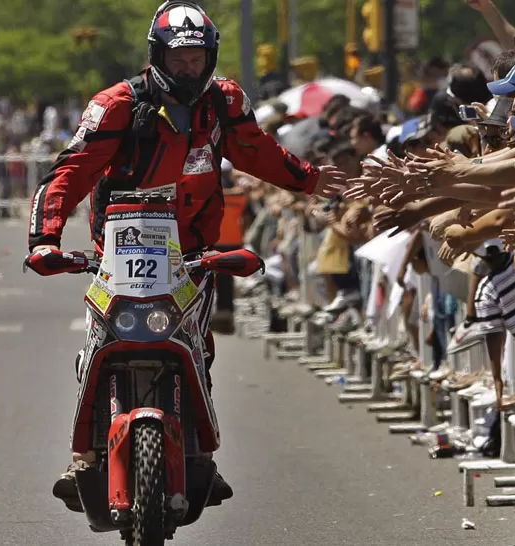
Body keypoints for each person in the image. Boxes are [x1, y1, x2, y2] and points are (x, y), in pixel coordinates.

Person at [26, 0, 346, 513]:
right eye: (180, 59)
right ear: (157, 56)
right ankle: (83, 456)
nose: (189, 68)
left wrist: (310, 180)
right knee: (98, 345)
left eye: (198, 58)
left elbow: (257, 151)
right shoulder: (116, 105)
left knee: (197, 344)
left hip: (192, 256)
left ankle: (200, 455)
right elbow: (70, 173)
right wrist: (44, 240)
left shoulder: (225, 103)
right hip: (120, 254)